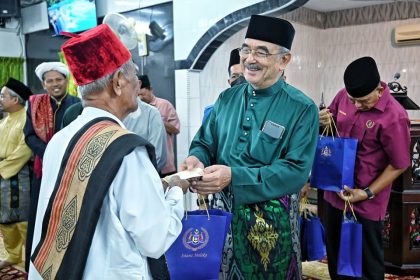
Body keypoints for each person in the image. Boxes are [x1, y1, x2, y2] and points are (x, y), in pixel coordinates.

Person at [28, 24, 188, 280]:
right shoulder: (125, 150)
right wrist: (176, 190)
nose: (138, 84)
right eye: (134, 75)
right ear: (117, 83)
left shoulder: (60, 139)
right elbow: (155, 240)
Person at [182, 15, 319, 279]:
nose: (250, 58)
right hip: (221, 217)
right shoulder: (227, 98)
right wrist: (195, 160)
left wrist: (234, 176)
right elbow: (204, 142)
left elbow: (295, 171)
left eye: (262, 52)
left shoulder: (301, 108)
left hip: (271, 226)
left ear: (284, 60)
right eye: (246, 49)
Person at [319, 56, 410, 280]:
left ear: (379, 90)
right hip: (335, 195)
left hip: (366, 203)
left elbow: (399, 164)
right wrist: (320, 119)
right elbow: (329, 126)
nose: (357, 105)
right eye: (354, 100)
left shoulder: (395, 115)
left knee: (367, 266)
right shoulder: (343, 96)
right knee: (336, 258)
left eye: (364, 101)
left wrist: (367, 192)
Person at [23, 61, 80, 271]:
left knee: (66, 214)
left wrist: (62, 156)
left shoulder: (78, 105)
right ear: (44, 84)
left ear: (66, 81)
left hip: (69, 169)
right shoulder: (35, 105)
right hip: (43, 170)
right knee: (40, 215)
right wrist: (49, 154)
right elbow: (28, 135)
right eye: (50, 81)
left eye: (59, 80)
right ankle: (36, 265)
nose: (55, 84)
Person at [0, 78, 32, 269]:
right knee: (4, 218)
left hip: (18, 177)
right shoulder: (4, 121)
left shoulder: (27, 119)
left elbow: (25, 150)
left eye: (3, 96)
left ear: (16, 99)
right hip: (2, 175)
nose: (0, 99)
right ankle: (12, 255)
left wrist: (2, 170)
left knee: (21, 218)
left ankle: (29, 258)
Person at [138, 75, 180, 177]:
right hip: (145, 164)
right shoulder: (136, 108)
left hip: (166, 165)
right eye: (138, 95)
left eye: (143, 94)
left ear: (150, 89)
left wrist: (156, 120)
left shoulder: (165, 105)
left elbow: (176, 130)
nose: (140, 98)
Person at [123, 86, 167, 172]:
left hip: (144, 176)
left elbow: (156, 156)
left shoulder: (151, 113)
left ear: (137, 84)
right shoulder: (108, 114)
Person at [202, 48, 246, 124]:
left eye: (244, 75)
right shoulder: (213, 112)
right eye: (234, 76)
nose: (240, 80)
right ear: (229, 82)